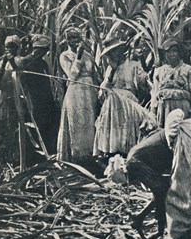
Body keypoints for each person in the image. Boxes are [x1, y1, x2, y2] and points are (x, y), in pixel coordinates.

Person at [106, 109, 191, 239]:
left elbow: (162, 191)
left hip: (187, 139)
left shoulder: (133, 164)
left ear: (126, 175)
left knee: (179, 198)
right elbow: (159, 191)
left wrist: (158, 226)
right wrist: (143, 215)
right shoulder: (136, 152)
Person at [94, 39, 148, 156]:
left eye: (116, 51)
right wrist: (112, 71)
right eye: (111, 53)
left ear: (122, 51)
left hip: (128, 101)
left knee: (126, 128)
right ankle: (111, 151)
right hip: (113, 103)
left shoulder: (134, 65)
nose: (114, 54)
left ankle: (126, 151)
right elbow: (103, 88)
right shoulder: (110, 69)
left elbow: (143, 81)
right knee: (113, 125)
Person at [58, 28, 98, 161]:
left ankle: (91, 153)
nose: (73, 41)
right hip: (75, 91)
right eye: (70, 38)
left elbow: (94, 74)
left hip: (89, 90)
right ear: (66, 40)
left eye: (76, 37)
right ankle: (78, 155)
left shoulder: (89, 55)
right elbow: (72, 75)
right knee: (77, 120)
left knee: (90, 120)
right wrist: (78, 57)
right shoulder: (64, 56)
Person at [20, 34, 60, 163]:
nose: (41, 52)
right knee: (37, 127)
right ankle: (36, 158)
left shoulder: (43, 62)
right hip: (33, 100)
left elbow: (47, 82)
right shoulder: (25, 61)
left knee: (50, 124)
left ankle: (49, 153)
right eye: (39, 49)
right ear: (34, 48)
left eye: (44, 50)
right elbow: (21, 84)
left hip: (46, 99)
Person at [151, 39, 191, 128]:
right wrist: (153, 110)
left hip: (181, 105)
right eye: (168, 52)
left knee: (182, 132)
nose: (171, 54)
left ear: (179, 53)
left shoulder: (188, 70)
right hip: (164, 107)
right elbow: (155, 91)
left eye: (174, 51)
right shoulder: (159, 71)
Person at [0, 35, 23, 165]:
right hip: (4, 95)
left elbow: (18, 73)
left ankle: (15, 157)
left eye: (12, 47)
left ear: (17, 48)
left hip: (15, 96)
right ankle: (4, 155)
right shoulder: (3, 62)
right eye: (7, 47)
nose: (9, 49)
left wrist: (10, 61)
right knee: (4, 124)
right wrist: (4, 62)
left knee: (13, 125)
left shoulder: (19, 60)